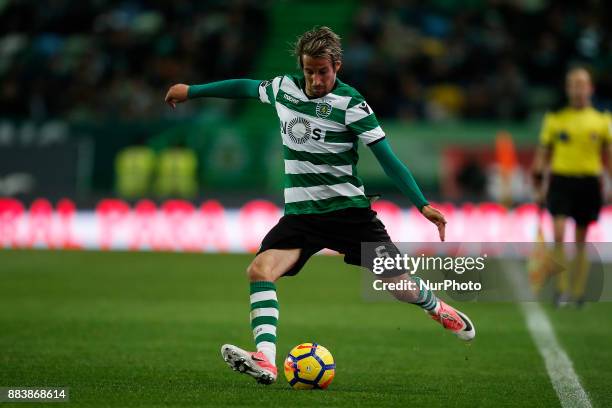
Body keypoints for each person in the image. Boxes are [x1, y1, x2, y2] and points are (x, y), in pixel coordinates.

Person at [165, 26, 475, 385]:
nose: (314, 79)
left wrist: (422, 204)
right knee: (259, 270)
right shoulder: (283, 89)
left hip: (350, 216)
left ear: (337, 66)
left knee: (399, 286)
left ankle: (437, 308)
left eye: (322, 71)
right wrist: (192, 92)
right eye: (308, 71)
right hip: (301, 217)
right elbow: (244, 87)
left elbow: (388, 159)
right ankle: (265, 360)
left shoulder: (353, 105)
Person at [532, 67, 612, 307]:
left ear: (590, 88)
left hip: (588, 182)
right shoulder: (555, 119)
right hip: (561, 180)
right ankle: (561, 289)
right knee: (558, 233)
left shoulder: (602, 120)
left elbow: (608, 156)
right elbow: (543, 154)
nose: (577, 89)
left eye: (582, 84)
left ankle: (577, 293)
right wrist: (538, 181)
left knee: (580, 239)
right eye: (573, 85)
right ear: (568, 89)